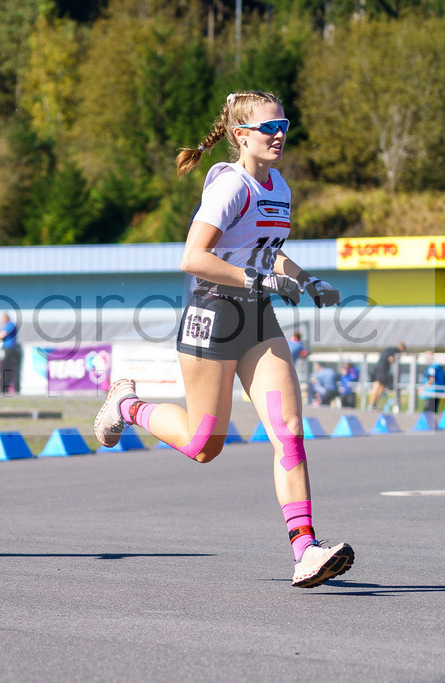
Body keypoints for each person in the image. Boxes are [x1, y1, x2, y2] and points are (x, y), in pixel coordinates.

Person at [93, 91, 353, 588]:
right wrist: (261, 280)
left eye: (284, 125)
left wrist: (306, 279)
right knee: (202, 445)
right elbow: (193, 258)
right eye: (268, 127)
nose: (279, 134)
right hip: (212, 315)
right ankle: (126, 406)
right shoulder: (231, 186)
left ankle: (305, 550)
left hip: (257, 319)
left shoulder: (280, 186)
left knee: (289, 430)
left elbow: (266, 251)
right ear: (241, 135)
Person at [368, 342, 406, 409]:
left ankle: (373, 403)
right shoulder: (395, 351)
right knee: (378, 384)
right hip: (382, 369)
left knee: (382, 386)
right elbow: (391, 359)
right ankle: (371, 403)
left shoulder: (389, 349)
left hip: (379, 368)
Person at [0, 313, 20, 395]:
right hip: (7, 349)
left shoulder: (9, 325)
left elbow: (3, 335)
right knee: (5, 368)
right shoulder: (7, 325)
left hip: (9, 349)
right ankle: (5, 387)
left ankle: (4, 388)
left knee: (4, 368)